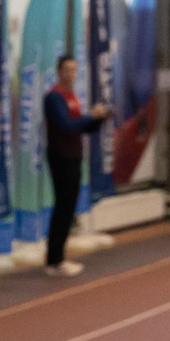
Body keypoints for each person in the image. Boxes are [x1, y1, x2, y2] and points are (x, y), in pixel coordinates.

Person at [41, 55, 110, 276]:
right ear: (59, 71)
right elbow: (65, 125)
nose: (72, 74)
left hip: (74, 155)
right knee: (63, 206)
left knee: (68, 207)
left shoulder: (72, 97)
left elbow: (82, 128)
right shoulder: (54, 97)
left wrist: (99, 119)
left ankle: (58, 257)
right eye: (68, 70)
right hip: (61, 156)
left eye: (74, 70)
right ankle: (54, 260)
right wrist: (89, 116)